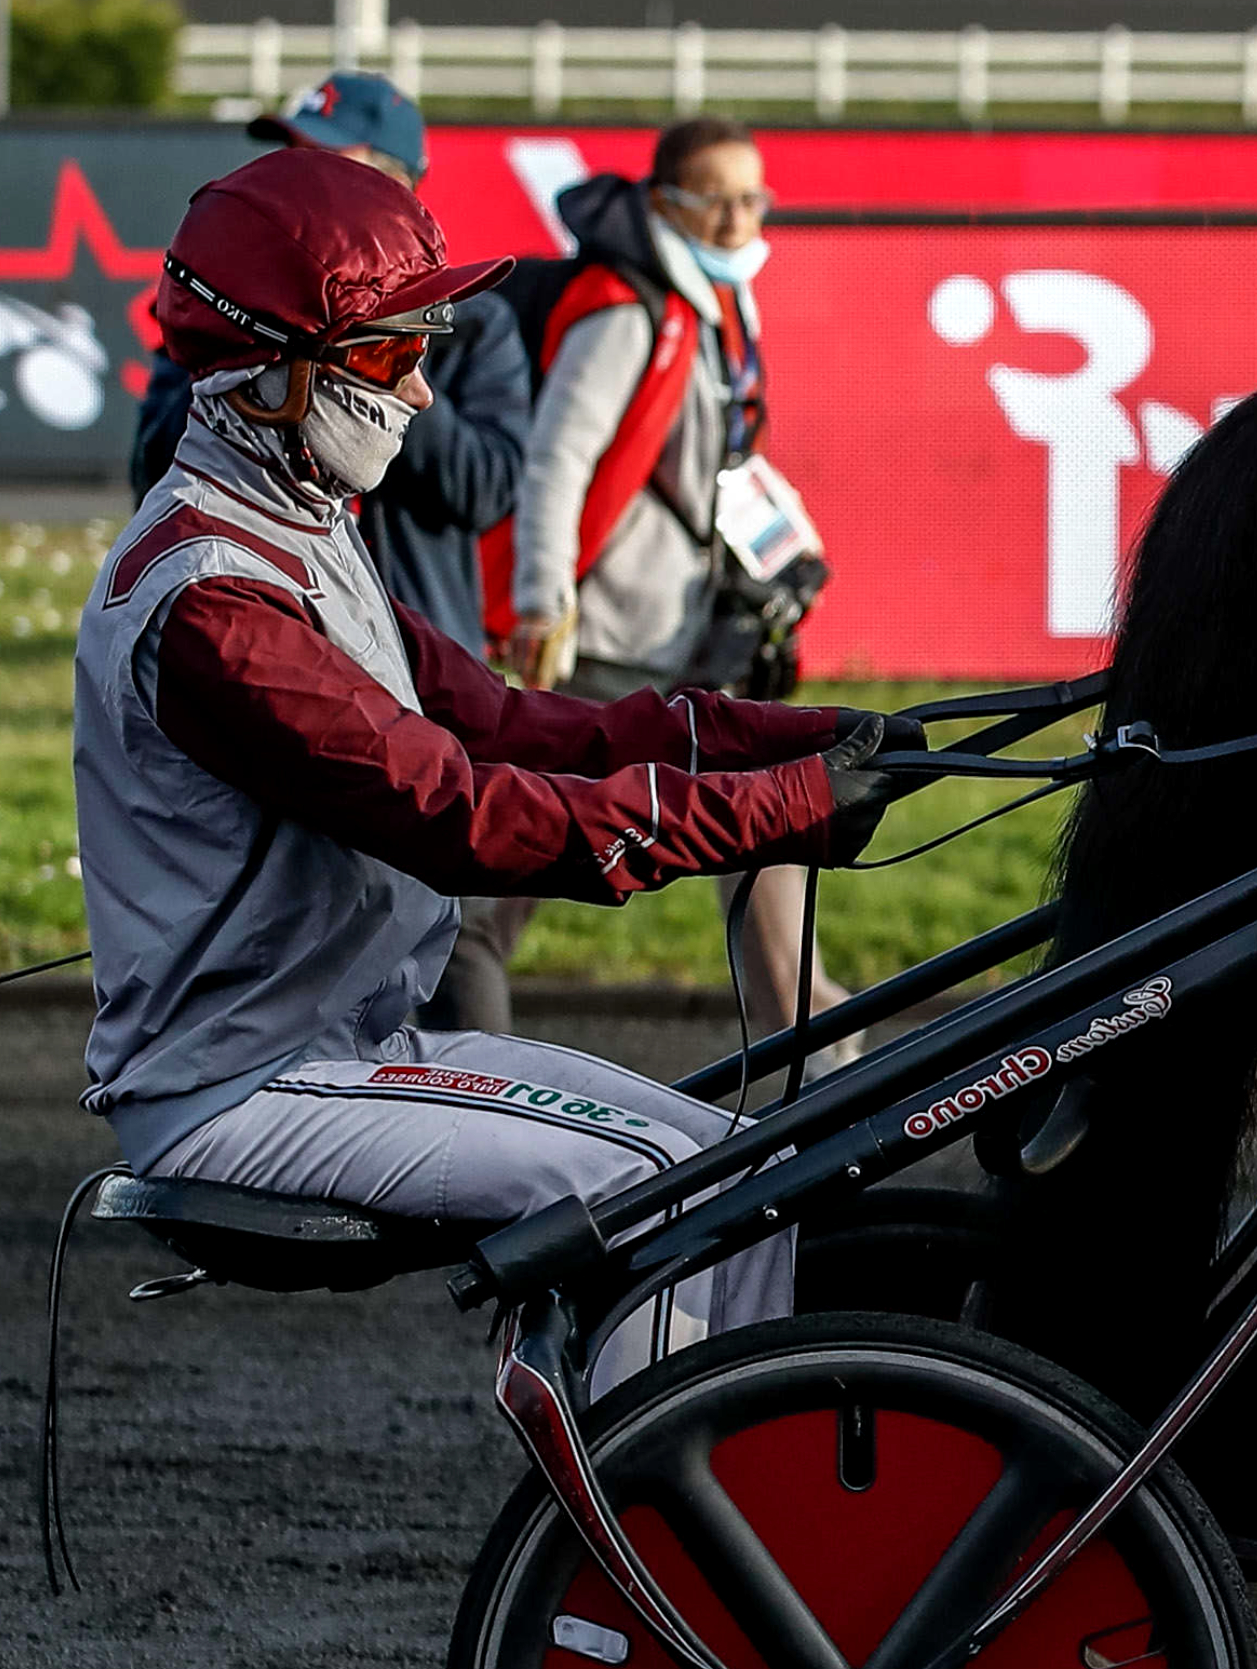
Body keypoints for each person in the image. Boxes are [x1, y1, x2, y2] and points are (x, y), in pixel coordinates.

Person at [75, 146, 915, 1387]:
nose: (421, 392)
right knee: (657, 1193)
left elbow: (519, 724)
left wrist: (796, 738)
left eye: (430, 349)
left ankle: (737, 1510)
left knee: (748, 1167)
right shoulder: (215, 612)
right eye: (390, 355)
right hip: (239, 1098)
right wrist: (772, 813)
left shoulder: (301, 533)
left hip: (348, 1054)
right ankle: (634, 1541)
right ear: (266, 376)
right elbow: (460, 816)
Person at [128, 72, 540, 1027]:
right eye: (287, 151)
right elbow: (156, 459)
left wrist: (380, 360)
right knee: (292, 939)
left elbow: (486, 486)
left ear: (398, 183)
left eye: (324, 157)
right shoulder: (236, 302)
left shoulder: (477, 325)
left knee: (446, 935)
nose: (291, 174)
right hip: (278, 656)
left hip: (416, 653)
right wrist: (301, 353)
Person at [495, 116, 839, 1045]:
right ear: (663, 205)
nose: (739, 220)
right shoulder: (624, 308)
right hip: (610, 642)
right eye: (717, 199)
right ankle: (442, 1000)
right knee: (533, 849)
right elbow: (555, 460)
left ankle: (807, 1032)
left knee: (761, 823)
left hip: (680, 633)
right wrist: (539, 600)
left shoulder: (717, 301)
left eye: (753, 197)